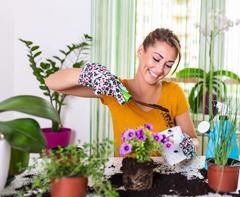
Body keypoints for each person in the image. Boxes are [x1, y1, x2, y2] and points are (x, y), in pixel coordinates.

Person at [45, 28, 200, 158]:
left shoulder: (174, 92)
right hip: (126, 176)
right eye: (156, 59)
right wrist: (88, 74)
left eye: (168, 65)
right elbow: (52, 83)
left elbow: (194, 139)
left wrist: (189, 144)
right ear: (141, 51)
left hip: (165, 176)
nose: (160, 70)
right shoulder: (114, 88)